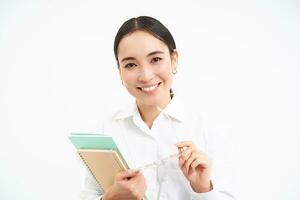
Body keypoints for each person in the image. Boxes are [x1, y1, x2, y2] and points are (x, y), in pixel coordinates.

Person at [80, 16, 236, 200]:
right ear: (119, 71)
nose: (145, 76)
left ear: (174, 59)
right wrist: (111, 198)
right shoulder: (104, 131)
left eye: (155, 59)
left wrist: (203, 188)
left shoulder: (207, 129)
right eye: (130, 65)